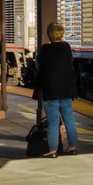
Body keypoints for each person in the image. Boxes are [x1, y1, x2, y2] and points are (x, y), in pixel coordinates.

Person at [34, 22, 79, 158]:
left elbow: (40, 66)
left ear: (49, 34)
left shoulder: (45, 49)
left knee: (53, 122)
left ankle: (53, 150)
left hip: (51, 91)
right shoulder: (66, 47)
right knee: (69, 120)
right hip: (66, 90)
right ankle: (72, 147)